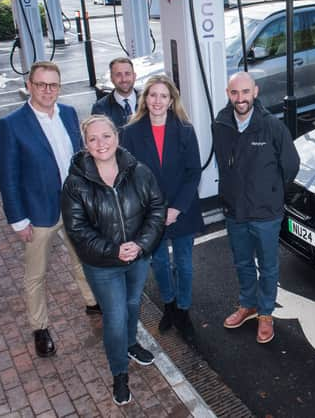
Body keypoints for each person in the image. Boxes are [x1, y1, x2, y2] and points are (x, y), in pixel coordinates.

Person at [0, 61, 101, 359]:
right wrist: (18, 219)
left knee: (82, 258)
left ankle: (92, 301)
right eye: (41, 84)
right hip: (38, 214)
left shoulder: (68, 113)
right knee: (36, 274)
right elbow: (7, 177)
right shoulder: (11, 125)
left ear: (59, 87)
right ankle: (40, 327)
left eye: (53, 85)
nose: (47, 90)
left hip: (73, 206)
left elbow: (80, 159)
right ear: (29, 85)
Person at [61, 115, 166, 406]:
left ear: (116, 137)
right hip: (102, 264)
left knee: (133, 304)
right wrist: (113, 250)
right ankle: (119, 373)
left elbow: (157, 209)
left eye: (106, 136)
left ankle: (131, 344)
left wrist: (141, 245)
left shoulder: (139, 171)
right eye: (92, 139)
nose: (101, 143)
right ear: (85, 144)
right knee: (116, 316)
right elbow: (77, 230)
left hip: (137, 257)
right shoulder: (75, 184)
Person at [211, 72, 300, 344]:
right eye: (235, 93)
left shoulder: (272, 126)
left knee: (269, 266)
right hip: (235, 211)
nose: (241, 99)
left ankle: (265, 314)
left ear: (255, 92)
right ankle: (247, 305)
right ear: (228, 93)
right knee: (242, 262)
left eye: (246, 92)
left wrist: (270, 192)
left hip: (265, 213)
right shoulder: (221, 124)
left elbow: (291, 166)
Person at [121, 75, 204, 341]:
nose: (157, 101)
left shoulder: (185, 130)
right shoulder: (131, 132)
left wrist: (177, 208)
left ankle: (183, 309)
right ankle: (168, 304)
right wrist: (153, 211)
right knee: (159, 262)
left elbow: (193, 173)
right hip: (149, 213)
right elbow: (128, 176)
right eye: (152, 95)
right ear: (145, 99)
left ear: (171, 101)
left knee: (184, 264)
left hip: (183, 208)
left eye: (163, 96)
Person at [91, 57, 138, 130]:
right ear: (111, 78)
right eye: (118, 75)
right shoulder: (100, 108)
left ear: (134, 76)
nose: (124, 79)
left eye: (127, 74)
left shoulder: (148, 101)